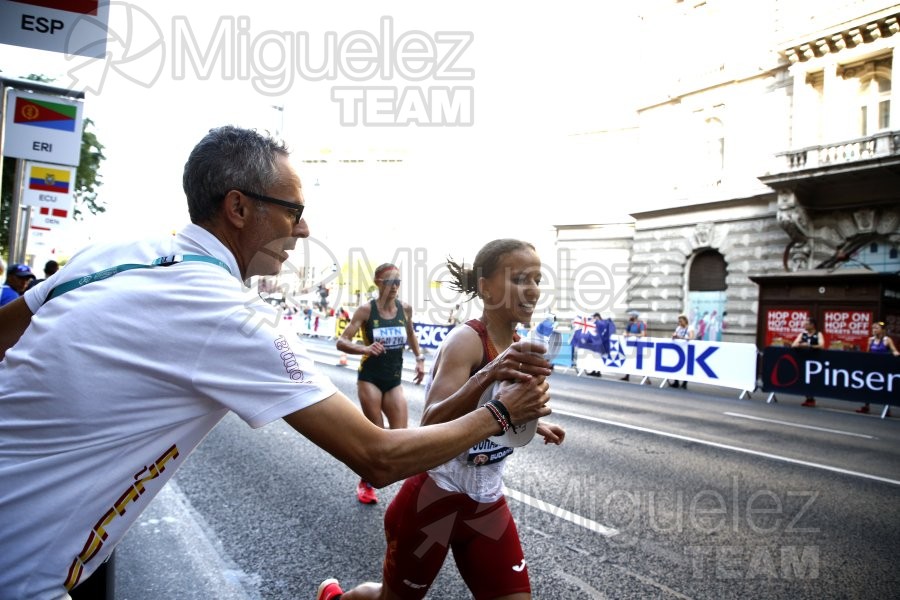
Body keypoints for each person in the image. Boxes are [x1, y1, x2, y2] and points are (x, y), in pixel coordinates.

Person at [0, 126, 552, 600]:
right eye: (295, 212)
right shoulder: (231, 314)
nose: (305, 230)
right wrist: (500, 414)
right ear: (238, 208)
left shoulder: (112, 252)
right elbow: (376, 456)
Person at [319, 238, 564, 600]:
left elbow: (496, 410)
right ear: (485, 286)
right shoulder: (466, 340)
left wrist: (531, 421)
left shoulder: (517, 341)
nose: (532, 290)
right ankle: (336, 598)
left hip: (487, 502)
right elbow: (432, 420)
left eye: (537, 280)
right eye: (519, 279)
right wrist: (490, 373)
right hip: (435, 499)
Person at [336, 263, 427, 504]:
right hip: (370, 378)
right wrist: (365, 348)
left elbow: (411, 334)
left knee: (401, 437)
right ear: (378, 282)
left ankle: (407, 490)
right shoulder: (366, 310)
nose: (395, 286)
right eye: (390, 281)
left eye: (398, 281)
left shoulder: (405, 308)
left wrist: (419, 359)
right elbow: (342, 342)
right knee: (377, 437)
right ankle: (366, 482)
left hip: (394, 379)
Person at [856, 321, 898, 415]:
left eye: (876, 328)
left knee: (884, 387)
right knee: (869, 386)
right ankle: (866, 406)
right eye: (873, 328)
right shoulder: (870, 340)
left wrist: (895, 354)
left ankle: (886, 408)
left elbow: (894, 350)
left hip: (884, 368)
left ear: (882, 330)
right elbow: (868, 352)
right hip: (872, 367)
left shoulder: (887, 340)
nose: (874, 330)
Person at [791, 316, 824, 407]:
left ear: (812, 325)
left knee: (813, 379)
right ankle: (808, 397)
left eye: (806, 324)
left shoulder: (818, 334)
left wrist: (810, 345)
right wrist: (800, 345)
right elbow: (794, 344)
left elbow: (821, 345)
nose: (804, 325)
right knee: (805, 378)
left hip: (815, 361)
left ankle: (811, 397)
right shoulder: (802, 335)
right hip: (804, 360)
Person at [668, 314, 695, 388]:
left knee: (686, 366)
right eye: (679, 321)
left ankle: (684, 383)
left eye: (681, 321)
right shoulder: (678, 328)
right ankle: (676, 382)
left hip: (687, 349)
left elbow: (691, 338)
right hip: (678, 349)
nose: (679, 323)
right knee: (676, 364)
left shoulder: (690, 328)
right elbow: (674, 336)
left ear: (685, 321)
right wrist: (673, 336)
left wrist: (679, 337)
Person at [620, 309, 647, 381]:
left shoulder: (640, 324)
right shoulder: (630, 324)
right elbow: (626, 331)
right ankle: (627, 375)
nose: (630, 316)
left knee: (639, 361)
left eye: (631, 315)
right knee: (629, 359)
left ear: (635, 316)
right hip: (630, 345)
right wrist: (625, 334)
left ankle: (646, 377)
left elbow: (642, 334)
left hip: (638, 345)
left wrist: (631, 335)